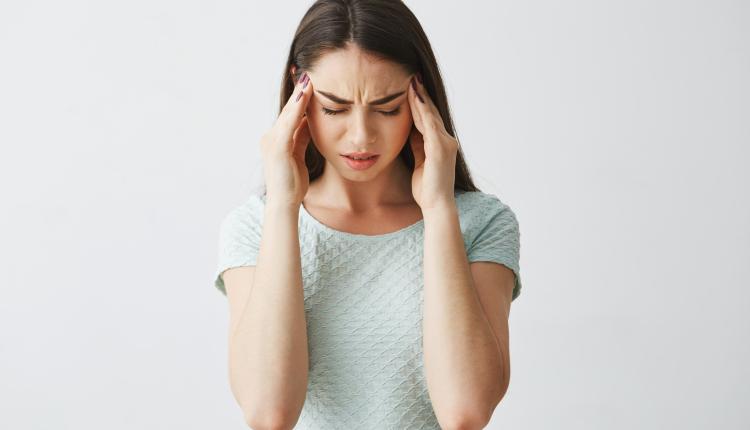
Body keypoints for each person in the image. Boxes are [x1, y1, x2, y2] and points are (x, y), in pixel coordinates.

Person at [213, 1, 522, 428]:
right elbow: (269, 413)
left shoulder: (480, 223)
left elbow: (465, 411)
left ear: (421, 95)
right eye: (334, 108)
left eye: (388, 107)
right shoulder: (253, 226)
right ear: (299, 93)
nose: (360, 136)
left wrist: (438, 209)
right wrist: (283, 208)